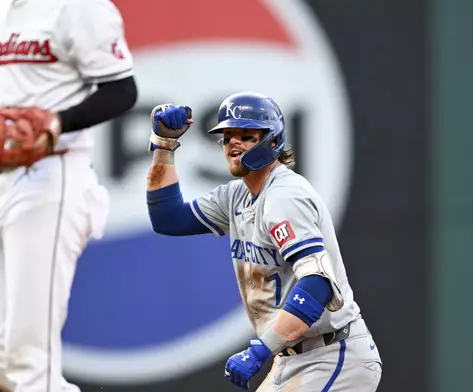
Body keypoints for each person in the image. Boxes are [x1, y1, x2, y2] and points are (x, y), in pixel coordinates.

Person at [0, 0, 137, 390]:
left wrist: (58, 121)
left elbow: (121, 90)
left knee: (30, 358)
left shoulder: (79, 6)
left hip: (54, 173)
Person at [144, 92, 382, 391]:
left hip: (332, 355)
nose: (234, 143)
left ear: (273, 141)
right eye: (228, 135)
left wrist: (260, 350)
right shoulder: (236, 196)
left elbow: (318, 282)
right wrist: (163, 145)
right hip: (292, 358)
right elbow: (169, 219)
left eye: (247, 135)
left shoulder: (285, 195)